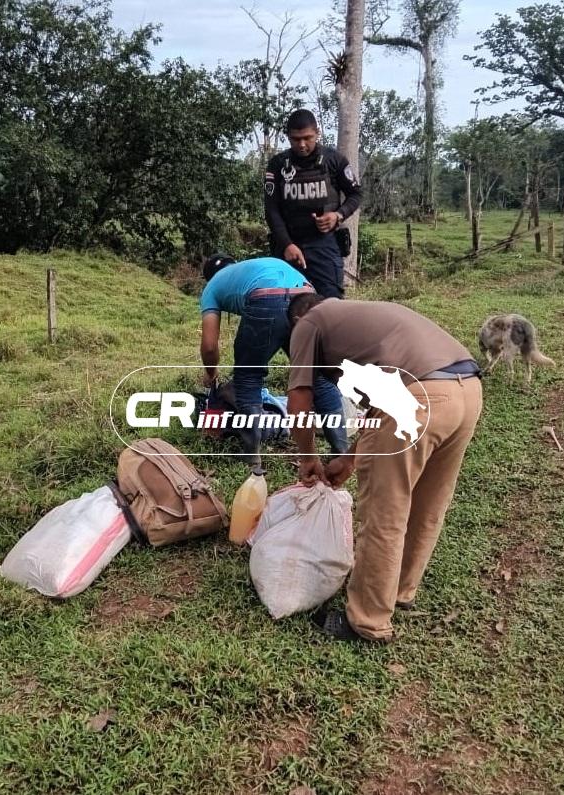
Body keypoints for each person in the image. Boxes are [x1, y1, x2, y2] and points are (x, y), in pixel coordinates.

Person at [284, 295, 484, 643]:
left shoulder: (308, 322)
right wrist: (349, 459)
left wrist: (307, 458)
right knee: (428, 504)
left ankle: (367, 621)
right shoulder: (360, 315)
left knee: (382, 513)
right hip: (466, 393)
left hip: (414, 398)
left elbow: (299, 401)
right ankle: (398, 590)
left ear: (296, 319)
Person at [199, 254, 348, 467]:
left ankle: (252, 459)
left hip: (265, 298)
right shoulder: (253, 266)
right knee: (318, 376)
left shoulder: (212, 286)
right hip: (307, 296)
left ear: (208, 276)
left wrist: (211, 373)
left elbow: (210, 346)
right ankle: (341, 451)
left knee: (248, 376)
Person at [264, 109, 362, 299]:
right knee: (286, 305)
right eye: (295, 139)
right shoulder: (277, 165)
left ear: (317, 133)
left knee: (330, 305)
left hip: (324, 245)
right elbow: (271, 209)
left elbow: (355, 194)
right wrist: (286, 244)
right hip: (288, 245)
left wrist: (338, 215)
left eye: (307, 138)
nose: (301, 144)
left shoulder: (334, 161)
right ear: (288, 137)